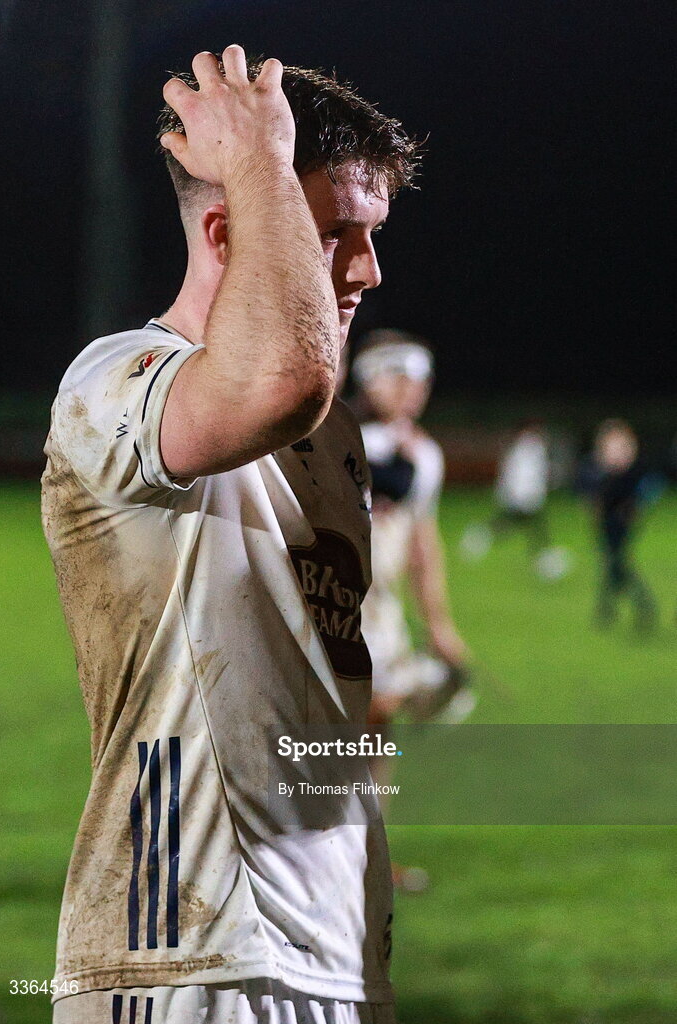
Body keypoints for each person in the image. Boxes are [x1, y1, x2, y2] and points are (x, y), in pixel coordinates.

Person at [42, 47, 419, 1024]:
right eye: (336, 234)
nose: (369, 271)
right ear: (223, 228)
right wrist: (259, 164)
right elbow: (277, 379)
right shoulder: (117, 381)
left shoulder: (333, 439)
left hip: (331, 960)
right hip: (182, 959)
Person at [350, 331, 472, 893]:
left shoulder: (424, 452)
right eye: (396, 377)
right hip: (332, 601)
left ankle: (365, 855)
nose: (410, 391)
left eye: (418, 380)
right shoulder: (336, 435)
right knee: (358, 717)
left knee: (374, 731)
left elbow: (423, 540)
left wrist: (439, 622)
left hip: (383, 610)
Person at [461, 420, 570, 579]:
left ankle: (479, 538)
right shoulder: (528, 449)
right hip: (524, 498)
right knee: (522, 527)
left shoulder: (523, 448)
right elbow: (523, 474)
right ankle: (544, 561)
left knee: (520, 527)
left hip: (524, 498)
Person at [580, 419, 658, 631]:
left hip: (619, 519)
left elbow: (639, 490)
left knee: (617, 564)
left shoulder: (629, 467)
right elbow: (595, 492)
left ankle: (643, 605)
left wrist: (632, 509)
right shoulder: (604, 466)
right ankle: (606, 608)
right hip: (607, 517)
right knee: (611, 561)